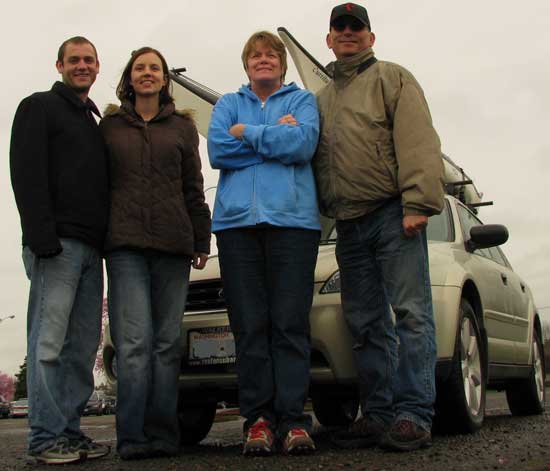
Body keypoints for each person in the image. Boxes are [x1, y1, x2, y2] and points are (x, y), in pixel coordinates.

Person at [314, 3, 445, 452]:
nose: (348, 33)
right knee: (366, 322)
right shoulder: (323, 97)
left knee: (411, 314)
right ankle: (379, 413)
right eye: (339, 27)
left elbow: (418, 139)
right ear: (328, 39)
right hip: (347, 225)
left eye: (357, 26)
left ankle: (414, 413)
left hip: (393, 215)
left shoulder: (394, 77)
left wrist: (418, 202)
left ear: (371, 37)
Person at [207, 31, 320, 456]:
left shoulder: (302, 102)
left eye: (272, 54)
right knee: (249, 325)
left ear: (283, 64)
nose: (264, 59)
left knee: (289, 323)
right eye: (255, 55)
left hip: (293, 224)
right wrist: (272, 135)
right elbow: (218, 149)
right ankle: (257, 420)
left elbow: (303, 145)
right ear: (246, 64)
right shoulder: (226, 105)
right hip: (237, 226)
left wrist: (248, 133)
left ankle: (293, 421)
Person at [100, 47, 211, 460]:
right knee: (132, 344)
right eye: (140, 68)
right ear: (129, 78)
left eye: (155, 69)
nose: (147, 74)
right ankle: (131, 436)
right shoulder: (110, 125)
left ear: (165, 79)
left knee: (165, 344)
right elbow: (98, 184)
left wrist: (202, 240)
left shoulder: (182, 128)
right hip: (125, 246)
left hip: (173, 246)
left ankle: (165, 434)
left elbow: (193, 188)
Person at [10, 36, 110, 464]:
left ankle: (69, 431)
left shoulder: (92, 119)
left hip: (92, 249)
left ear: (97, 66)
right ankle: (45, 438)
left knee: (82, 347)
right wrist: (40, 234)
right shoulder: (39, 107)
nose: (82, 66)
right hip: (56, 247)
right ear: (59, 65)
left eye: (88, 60)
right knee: (48, 343)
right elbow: (25, 171)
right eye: (74, 60)